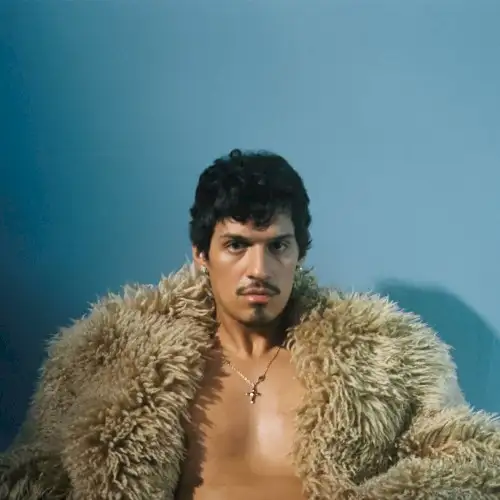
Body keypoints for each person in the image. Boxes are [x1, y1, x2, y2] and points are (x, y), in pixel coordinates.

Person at [1, 149, 499, 500]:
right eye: (237, 245)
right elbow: (28, 477)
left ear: (300, 253)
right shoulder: (111, 357)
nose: (259, 270)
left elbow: (472, 462)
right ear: (201, 254)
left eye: (277, 246)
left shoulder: (382, 358)